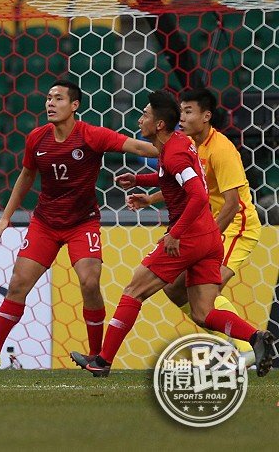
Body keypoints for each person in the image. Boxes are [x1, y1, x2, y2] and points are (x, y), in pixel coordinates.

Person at [70, 90, 275, 377]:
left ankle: (102, 361)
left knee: (133, 290)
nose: (140, 119)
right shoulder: (179, 144)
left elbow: (198, 196)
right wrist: (140, 180)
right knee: (203, 311)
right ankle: (256, 338)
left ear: (159, 125)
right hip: (208, 238)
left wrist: (175, 234)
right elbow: (176, 175)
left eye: (145, 115)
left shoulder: (179, 151)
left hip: (190, 235)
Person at [0, 79, 160, 374]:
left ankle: (96, 357)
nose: (50, 103)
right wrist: (6, 216)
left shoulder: (92, 136)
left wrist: (173, 147)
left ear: (74, 106)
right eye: (48, 98)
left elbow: (135, 145)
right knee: (18, 285)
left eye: (58, 98)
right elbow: (26, 176)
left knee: (89, 282)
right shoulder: (37, 138)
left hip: (82, 222)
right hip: (45, 222)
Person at [125, 88, 262, 365]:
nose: (182, 117)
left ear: (206, 116)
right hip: (207, 224)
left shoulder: (222, 150)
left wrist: (207, 238)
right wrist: (150, 198)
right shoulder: (188, 145)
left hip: (236, 226)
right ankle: (237, 344)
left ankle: (248, 348)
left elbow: (233, 204)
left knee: (209, 291)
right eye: (182, 111)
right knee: (174, 288)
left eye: (189, 111)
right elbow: (187, 184)